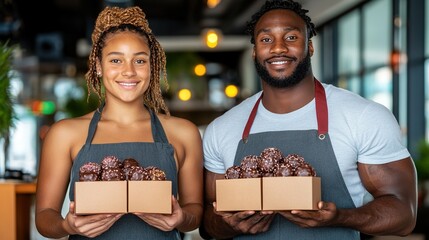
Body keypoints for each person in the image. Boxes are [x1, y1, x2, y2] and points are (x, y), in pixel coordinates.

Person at [201, 0, 417, 239]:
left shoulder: (364, 117)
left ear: (310, 47)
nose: (278, 48)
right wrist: (230, 225)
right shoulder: (222, 129)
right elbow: (207, 222)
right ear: (255, 51)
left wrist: (341, 218)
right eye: (266, 40)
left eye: (291, 37)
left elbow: (404, 214)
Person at [35, 6, 203, 239]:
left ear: (151, 67)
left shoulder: (184, 133)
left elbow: (195, 210)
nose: (129, 72)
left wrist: (181, 218)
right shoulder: (65, 134)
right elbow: (45, 216)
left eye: (140, 61)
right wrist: (67, 227)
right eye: (116, 60)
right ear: (98, 66)